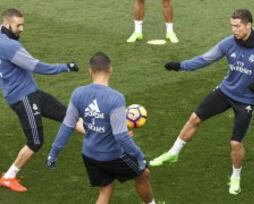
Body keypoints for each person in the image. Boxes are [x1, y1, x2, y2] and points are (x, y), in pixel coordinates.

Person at [149, 9, 254, 195]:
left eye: (237, 26)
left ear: (249, 25)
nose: (234, 30)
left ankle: (236, 176)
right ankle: (173, 153)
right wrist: (180, 66)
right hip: (225, 92)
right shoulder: (229, 43)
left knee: (235, 143)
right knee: (195, 118)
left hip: (246, 101)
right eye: (232, 26)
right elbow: (205, 59)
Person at [46, 52, 156, 204]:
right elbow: (121, 137)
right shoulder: (115, 98)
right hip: (113, 156)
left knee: (105, 191)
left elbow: (67, 125)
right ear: (111, 69)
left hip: (89, 155)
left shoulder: (78, 93)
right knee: (143, 174)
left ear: (90, 71)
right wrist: (139, 156)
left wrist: (53, 152)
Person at [0, 8, 84, 192]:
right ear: (7, 24)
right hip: (23, 99)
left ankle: (105, 137)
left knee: (68, 115)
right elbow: (36, 66)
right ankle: (8, 176)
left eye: (22, 24)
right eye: (18, 25)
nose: (21, 29)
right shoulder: (9, 46)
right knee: (35, 142)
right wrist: (65, 67)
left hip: (32, 93)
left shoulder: (2, 38)